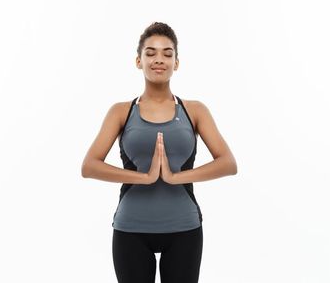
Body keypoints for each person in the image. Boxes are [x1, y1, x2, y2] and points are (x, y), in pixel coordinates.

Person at [81, 22, 238, 283]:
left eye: (167, 53)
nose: (159, 59)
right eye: (150, 53)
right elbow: (89, 166)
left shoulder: (194, 110)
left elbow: (228, 163)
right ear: (138, 61)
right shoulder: (120, 111)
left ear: (176, 62)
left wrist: (177, 177)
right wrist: (145, 177)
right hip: (131, 229)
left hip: (184, 228)